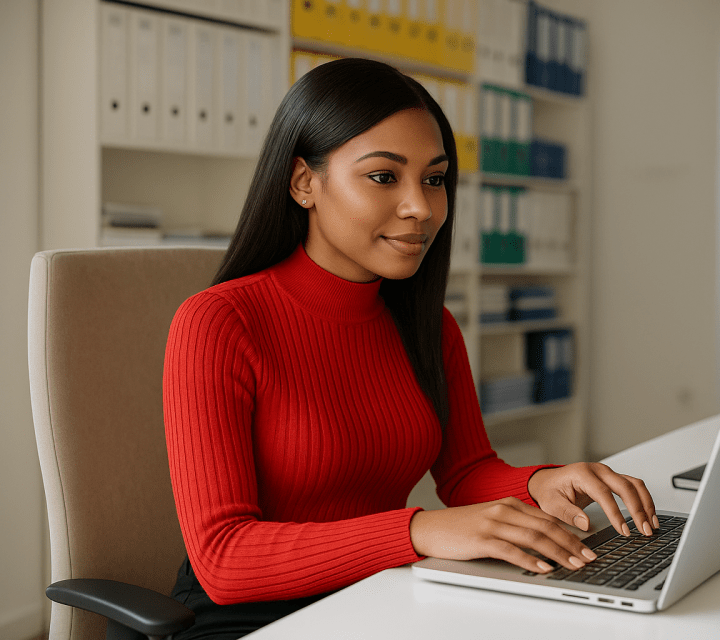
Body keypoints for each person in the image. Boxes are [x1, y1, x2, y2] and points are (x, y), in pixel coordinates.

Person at [163, 58, 657, 640]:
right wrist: (419, 531)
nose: (421, 207)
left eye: (434, 178)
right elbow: (224, 559)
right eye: (383, 177)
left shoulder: (428, 324)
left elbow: (468, 472)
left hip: (380, 596)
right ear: (304, 183)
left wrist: (542, 484)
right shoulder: (218, 323)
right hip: (251, 618)